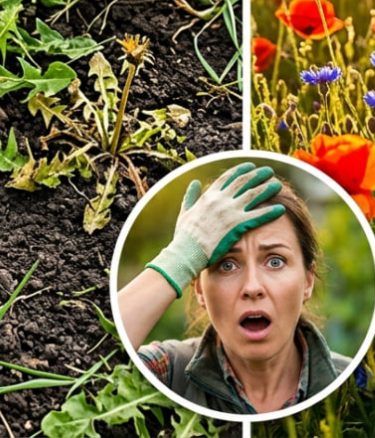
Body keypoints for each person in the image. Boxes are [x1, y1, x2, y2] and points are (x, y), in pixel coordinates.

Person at [118, 163, 352, 414]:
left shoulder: (357, 387)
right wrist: (180, 258)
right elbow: (87, 359)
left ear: (307, 281)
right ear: (198, 290)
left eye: (275, 261)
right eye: (227, 265)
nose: (252, 287)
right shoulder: (167, 372)